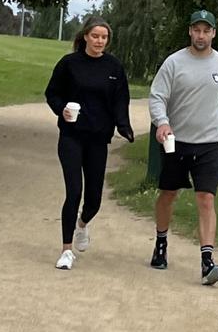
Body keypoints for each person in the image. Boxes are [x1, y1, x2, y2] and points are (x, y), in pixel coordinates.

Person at [148, 9, 218, 285]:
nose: (201, 35)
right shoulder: (174, 63)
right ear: (190, 31)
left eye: (206, 31)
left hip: (211, 144)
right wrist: (162, 123)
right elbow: (157, 97)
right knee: (168, 194)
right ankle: (161, 244)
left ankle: (206, 261)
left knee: (206, 199)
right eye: (196, 30)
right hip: (176, 141)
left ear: (214, 33)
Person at [45, 16, 134, 270]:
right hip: (72, 136)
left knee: (93, 200)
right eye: (95, 36)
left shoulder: (114, 68)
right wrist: (61, 109)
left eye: (104, 37)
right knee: (74, 192)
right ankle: (66, 251)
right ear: (85, 36)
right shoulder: (69, 64)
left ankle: (82, 225)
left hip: (98, 139)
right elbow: (52, 93)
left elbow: (120, 100)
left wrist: (123, 125)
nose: (99, 41)